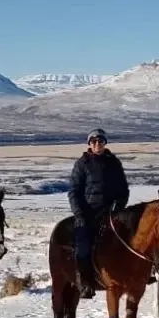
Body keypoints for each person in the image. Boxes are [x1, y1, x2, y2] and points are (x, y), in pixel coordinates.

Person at [68, 128, 130, 298]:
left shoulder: (113, 163)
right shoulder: (82, 163)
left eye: (100, 141)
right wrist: (79, 213)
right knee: (83, 246)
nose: (97, 144)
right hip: (88, 213)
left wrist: (119, 208)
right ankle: (85, 283)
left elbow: (123, 189)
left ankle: (134, 276)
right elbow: (74, 191)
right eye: (94, 142)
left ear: (105, 143)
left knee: (130, 239)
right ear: (89, 144)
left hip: (110, 211)